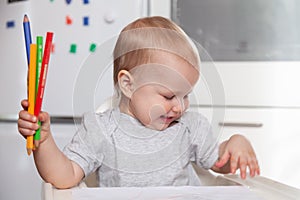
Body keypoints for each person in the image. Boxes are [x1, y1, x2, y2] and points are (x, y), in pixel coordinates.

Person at [18, 16, 260, 189]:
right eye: (168, 96)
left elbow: (219, 164)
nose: (180, 107)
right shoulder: (101, 130)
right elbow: (65, 177)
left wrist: (236, 144)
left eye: (185, 95)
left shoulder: (190, 127)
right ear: (128, 85)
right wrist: (44, 142)